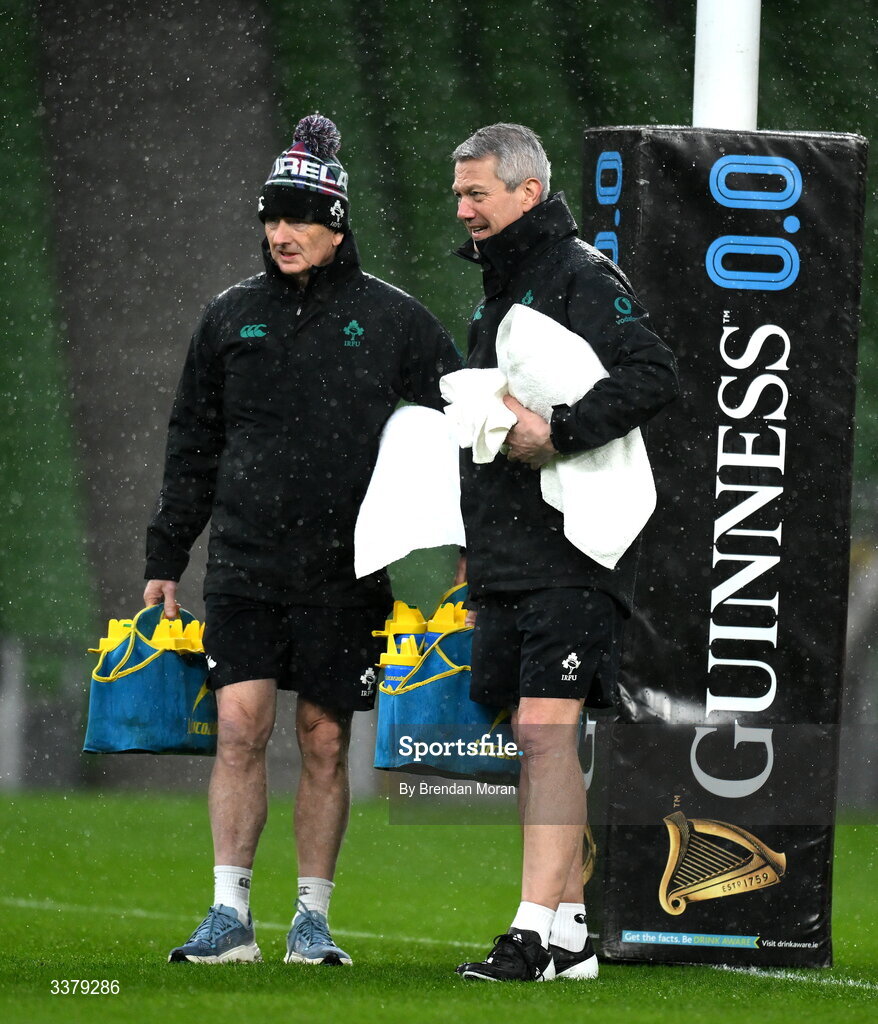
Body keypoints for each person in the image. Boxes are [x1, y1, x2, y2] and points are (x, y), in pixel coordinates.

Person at [143, 114, 461, 965]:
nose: (281, 234)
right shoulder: (228, 317)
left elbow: (463, 417)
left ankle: (313, 921)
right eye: (271, 218)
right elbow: (192, 442)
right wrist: (166, 557)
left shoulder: (395, 321)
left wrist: (467, 534)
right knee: (241, 726)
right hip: (245, 560)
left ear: (337, 224)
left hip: (345, 567)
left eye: (300, 218)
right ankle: (228, 917)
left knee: (323, 739)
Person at [449, 124, 678, 982]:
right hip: (512, 548)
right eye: (461, 195)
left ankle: (530, 932)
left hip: (573, 546)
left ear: (528, 193)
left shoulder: (578, 274)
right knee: (531, 732)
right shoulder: (499, 288)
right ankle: (574, 930)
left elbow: (654, 372)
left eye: (479, 193)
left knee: (547, 731)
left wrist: (561, 434)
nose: (465, 209)